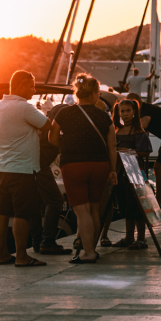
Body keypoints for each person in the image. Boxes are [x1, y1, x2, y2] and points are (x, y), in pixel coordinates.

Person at [48, 74, 118, 263]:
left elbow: (52, 139)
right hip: (100, 165)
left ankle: (88, 253)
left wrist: (67, 142)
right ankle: (91, 249)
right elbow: (112, 146)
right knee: (94, 209)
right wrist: (113, 170)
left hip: (73, 165)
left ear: (77, 93)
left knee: (82, 211)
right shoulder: (104, 116)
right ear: (95, 93)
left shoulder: (64, 113)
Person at [0, 70, 49, 267]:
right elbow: (47, 125)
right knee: (22, 213)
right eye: (32, 86)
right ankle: (22, 256)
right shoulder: (25, 107)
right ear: (21, 86)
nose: (34, 90)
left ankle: (2, 254)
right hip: (23, 169)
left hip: (4, 167)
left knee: (2, 211)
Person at [32, 98, 72, 256]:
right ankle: (47, 242)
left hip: (32, 166)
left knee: (38, 203)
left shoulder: (44, 129)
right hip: (40, 167)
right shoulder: (57, 133)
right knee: (55, 200)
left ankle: (37, 242)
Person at [113, 98, 152, 249]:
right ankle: (129, 236)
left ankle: (141, 238)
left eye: (128, 111)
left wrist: (130, 152)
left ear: (134, 112)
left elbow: (147, 151)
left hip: (136, 171)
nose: (125, 114)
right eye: (122, 111)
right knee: (126, 204)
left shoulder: (138, 131)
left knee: (138, 205)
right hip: (121, 172)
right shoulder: (117, 130)